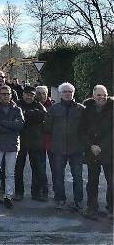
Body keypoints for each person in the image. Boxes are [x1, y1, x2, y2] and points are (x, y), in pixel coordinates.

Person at [45, 82, 85, 210]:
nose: (68, 94)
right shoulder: (53, 109)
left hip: (76, 149)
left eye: (70, 91)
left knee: (78, 177)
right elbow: (47, 127)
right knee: (58, 175)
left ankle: (78, 200)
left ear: (73, 93)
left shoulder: (81, 109)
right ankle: (60, 198)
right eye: (65, 92)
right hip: (58, 148)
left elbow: (86, 128)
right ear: (60, 93)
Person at [79, 85, 112, 219]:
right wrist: (91, 145)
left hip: (110, 151)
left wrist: (101, 146)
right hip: (92, 151)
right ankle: (92, 207)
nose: (102, 97)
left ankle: (112, 208)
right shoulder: (86, 111)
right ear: (93, 96)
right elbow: (81, 131)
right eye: (99, 95)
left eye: (104, 94)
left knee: (112, 181)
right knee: (92, 181)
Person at [14, 86, 48, 202]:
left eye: (31, 95)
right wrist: (30, 116)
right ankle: (19, 192)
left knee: (37, 169)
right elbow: (15, 118)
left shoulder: (39, 105)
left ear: (34, 96)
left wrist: (25, 114)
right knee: (18, 169)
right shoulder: (16, 104)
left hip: (35, 142)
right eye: (27, 94)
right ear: (22, 95)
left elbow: (42, 116)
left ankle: (36, 193)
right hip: (19, 142)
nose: (29, 97)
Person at [36, 85, 54, 198]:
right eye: (39, 93)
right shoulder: (34, 105)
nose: (42, 95)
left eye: (44, 93)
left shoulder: (53, 106)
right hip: (38, 141)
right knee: (40, 167)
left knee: (55, 167)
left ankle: (57, 192)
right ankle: (43, 190)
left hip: (52, 141)